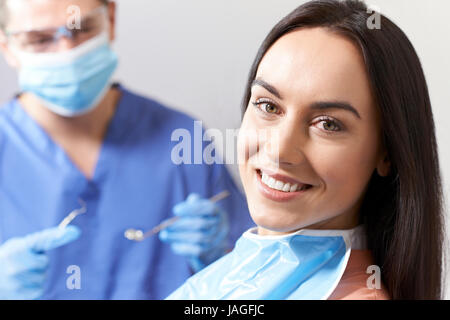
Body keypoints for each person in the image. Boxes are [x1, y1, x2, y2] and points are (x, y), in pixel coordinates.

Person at [167, 0, 445, 300]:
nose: (279, 150)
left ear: (386, 154)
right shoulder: (240, 272)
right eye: (268, 105)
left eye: (327, 124)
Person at [0, 0, 253, 299]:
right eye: (40, 39)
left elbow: (255, 284)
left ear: (111, 19)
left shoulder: (182, 139)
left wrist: (223, 256)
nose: (66, 51)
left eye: (82, 28)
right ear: (7, 47)